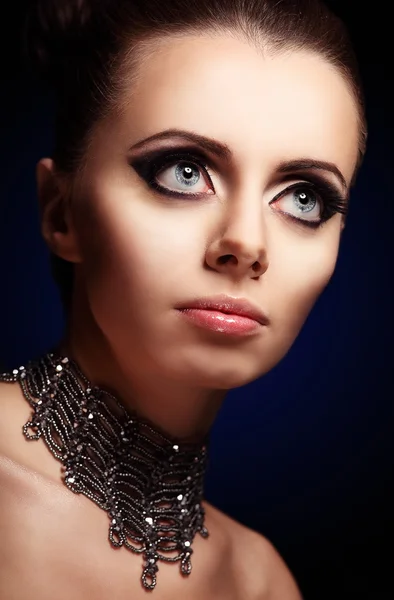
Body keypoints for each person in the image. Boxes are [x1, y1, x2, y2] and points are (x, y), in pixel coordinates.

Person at [0, 0, 367, 597]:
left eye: (304, 198)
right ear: (60, 213)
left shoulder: (261, 583)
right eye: (184, 172)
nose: (246, 243)